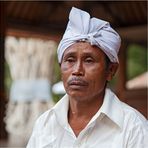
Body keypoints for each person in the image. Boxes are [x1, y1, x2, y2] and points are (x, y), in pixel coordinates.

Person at [27, 7, 148, 148]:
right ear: (61, 67)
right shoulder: (45, 124)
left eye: (89, 60)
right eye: (70, 60)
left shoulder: (134, 128)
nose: (77, 70)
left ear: (111, 70)